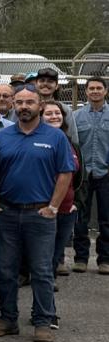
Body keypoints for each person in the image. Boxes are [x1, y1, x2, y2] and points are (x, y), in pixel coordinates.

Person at [0, 87, 74, 342]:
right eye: (20, 101)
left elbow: (65, 173)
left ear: (40, 105)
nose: (24, 106)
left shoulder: (55, 137)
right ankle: (7, 319)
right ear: (13, 104)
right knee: (6, 269)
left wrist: (54, 207)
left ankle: (43, 321)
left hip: (40, 214)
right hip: (7, 213)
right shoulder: (2, 138)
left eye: (30, 102)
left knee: (42, 270)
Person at [41, 101, 82, 289]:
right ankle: (39, 280)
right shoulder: (38, 142)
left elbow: (80, 176)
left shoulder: (70, 143)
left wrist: (76, 203)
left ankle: (49, 279)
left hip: (66, 208)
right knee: (41, 249)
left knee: (57, 250)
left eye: (57, 113)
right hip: (43, 206)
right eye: (48, 113)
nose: (54, 116)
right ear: (40, 117)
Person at [72, 76, 108, 273]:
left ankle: (105, 260)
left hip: (105, 173)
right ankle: (81, 259)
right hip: (83, 175)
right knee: (81, 218)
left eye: (98, 88)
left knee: (106, 218)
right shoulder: (77, 116)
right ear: (86, 92)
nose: (95, 91)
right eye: (91, 88)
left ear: (105, 91)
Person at [32, 67, 78, 144]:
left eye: (50, 81)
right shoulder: (29, 107)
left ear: (57, 86)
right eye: (42, 81)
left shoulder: (65, 109)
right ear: (36, 84)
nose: (45, 84)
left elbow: (73, 138)